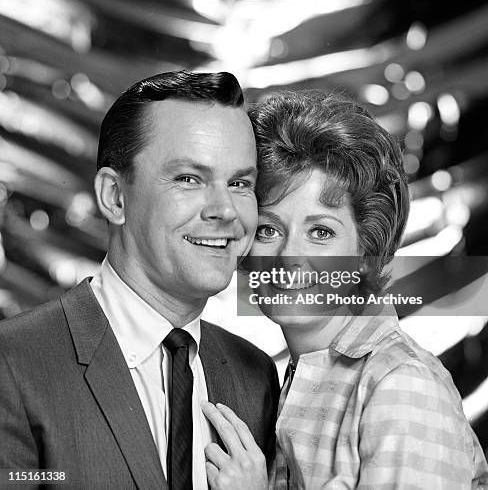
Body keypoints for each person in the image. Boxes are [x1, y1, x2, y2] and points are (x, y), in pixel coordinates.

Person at [0, 71, 279, 490]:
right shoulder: (14, 364)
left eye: (240, 183)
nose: (225, 210)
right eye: (189, 179)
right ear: (115, 197)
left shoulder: (255, 376)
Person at [202, 90, 488, 489]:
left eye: (321, 232)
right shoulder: (286, 379)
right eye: (269, 229)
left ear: (365, 251)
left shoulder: (400, 385)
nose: (290, 258)